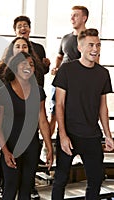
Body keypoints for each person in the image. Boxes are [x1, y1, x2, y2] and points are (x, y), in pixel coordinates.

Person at [51, 28, 114, 200]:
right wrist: (63, 135)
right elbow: (59, 105)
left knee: (95, 180)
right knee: (60, 180)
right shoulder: (66, 70)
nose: (95, 49)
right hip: (69, 134)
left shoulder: (103, 73)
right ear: (80, 47)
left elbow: (103, 108)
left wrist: (108, 135)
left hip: (92, 135)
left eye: (98, 45)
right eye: (91, 45)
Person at [0, 52, 53, 199]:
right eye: (24, 64)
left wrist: (49, 146)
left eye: (31, 64)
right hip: (11, 147)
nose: (28, 67)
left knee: (27, 189)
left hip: (31, 147)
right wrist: (5, 151)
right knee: (10, 187)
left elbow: (43, 121)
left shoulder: (38, 91)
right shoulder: (3, 92)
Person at [49, 6, 89, 136]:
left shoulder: (89, 39)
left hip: (77, 84)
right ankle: (47, 146)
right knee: (54, 112)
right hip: (60, 82)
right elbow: (60, 56)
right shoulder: (66, 37)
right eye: (71, 15)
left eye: (75, 15)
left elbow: (93, 61)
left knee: (73, 114)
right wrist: (56, 67)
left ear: (84, 18)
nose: (72, 18)